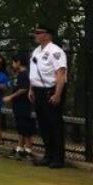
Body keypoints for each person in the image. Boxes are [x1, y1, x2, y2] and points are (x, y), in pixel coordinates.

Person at [28, 23, 67, 169]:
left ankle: (58, 158)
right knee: (43, 124)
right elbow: (34, 72)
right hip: (38, 90)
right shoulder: (36, 51)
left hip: (51, 89)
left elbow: (61, 73)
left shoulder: (55, 51)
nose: (36, 35)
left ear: (47, 34)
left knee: (54, 124)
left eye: (39, 32)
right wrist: (31, 89)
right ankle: (48, 155)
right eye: (35, 32)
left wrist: (57, 93)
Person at [4, 53, 36, 161]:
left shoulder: (24, 74)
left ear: (18, 62)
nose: (12, 64)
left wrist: (11, 97)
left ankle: (28, 150)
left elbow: (23, 89)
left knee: (26, 127)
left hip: (24, 105)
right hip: (18, 105)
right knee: (21, 127)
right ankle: (20, 148)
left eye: (13, 62)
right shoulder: (19, 74)